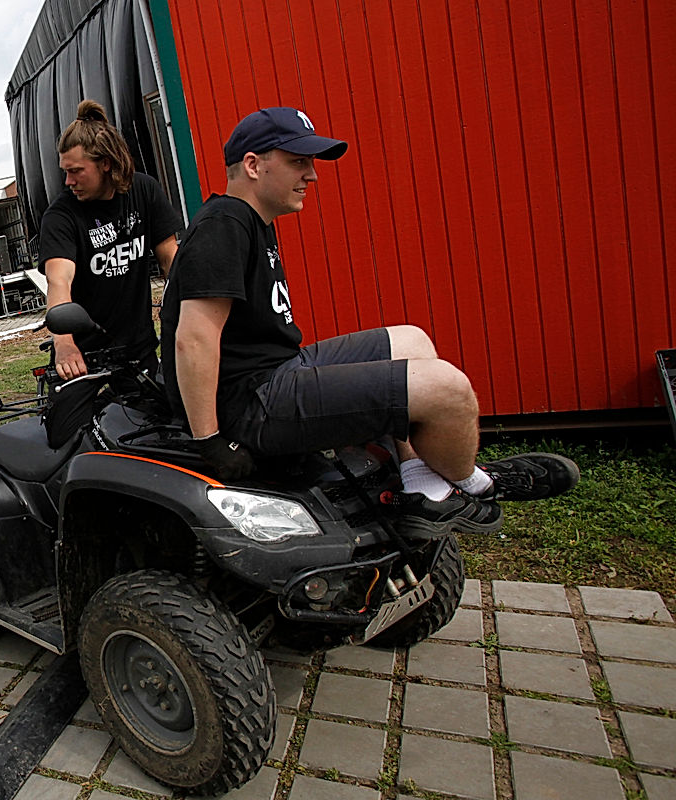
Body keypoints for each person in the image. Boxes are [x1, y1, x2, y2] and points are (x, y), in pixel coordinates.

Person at [159, 107, 578, 538]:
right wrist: (209, 440)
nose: (312, 176)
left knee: (412, 341)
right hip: (254, 401)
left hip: (281, 369)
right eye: (298, 162)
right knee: (449, 391)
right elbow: (194, 337)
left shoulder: (249, 221)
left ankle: (420, 483)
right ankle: (474, 485)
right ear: (253, 165)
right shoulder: (223, 225)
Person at [37, 98, 184, 447]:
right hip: (82, 357)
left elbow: (171, 259)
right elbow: (59, 280)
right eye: (65, 171)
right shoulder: (61, 215)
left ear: (105, 164)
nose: (68, 180)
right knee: (66, 444)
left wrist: (190, 312)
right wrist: (64, 343)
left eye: (76, 171)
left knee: (161, 437)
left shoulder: (143, 191)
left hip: (138, 349)